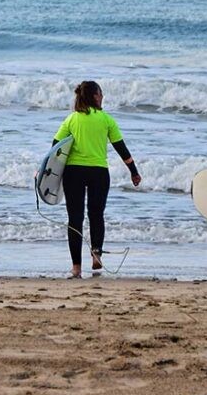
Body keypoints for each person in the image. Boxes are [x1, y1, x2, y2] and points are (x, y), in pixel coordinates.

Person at [53, 81, 141, 278]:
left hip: (73, 172)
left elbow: (55, 147)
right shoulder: (106, 120)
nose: (102, 97)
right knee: (96, 215)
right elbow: (121, 149)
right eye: (101, 94)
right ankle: (97, 254)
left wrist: (46, 174)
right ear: (95, 96)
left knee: (75, 219)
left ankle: (76, 268)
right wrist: (133, 171)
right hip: (98, 173)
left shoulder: (71, 120)